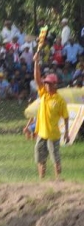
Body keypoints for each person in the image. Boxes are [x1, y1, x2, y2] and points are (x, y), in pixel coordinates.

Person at [28, 47, 70, 180]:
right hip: (41, 133)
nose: (46, 85)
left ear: (55, 85)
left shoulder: (60, 100)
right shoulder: (44, 94)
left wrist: (67, 133)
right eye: (46, 83)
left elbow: (66, 117)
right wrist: (36, 62)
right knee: (40, 158)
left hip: (53, 134)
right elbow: (37, 78)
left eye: (49, 84)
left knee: (55, 158)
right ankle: (42, 179)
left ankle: (58, 179)